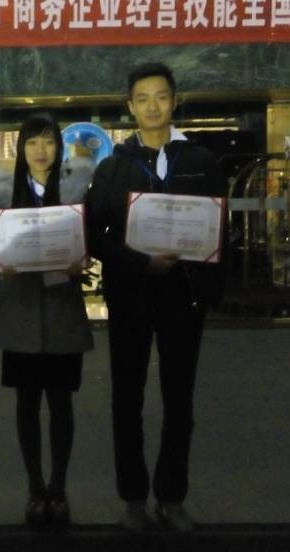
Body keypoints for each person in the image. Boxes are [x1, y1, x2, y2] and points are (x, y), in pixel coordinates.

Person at [85, 63, 227, 532]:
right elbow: (95, 235)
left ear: (174, 101)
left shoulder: (201, 162)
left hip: (183, 296)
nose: (152, 106)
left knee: (179, 400)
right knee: (126, 398)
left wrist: (209, 285)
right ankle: (132, 497)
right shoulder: (113, 166)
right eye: (143, 98)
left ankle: (171, 496)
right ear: (130, 106)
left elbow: (218, 227)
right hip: (130, 295)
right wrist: (139, 261)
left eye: (161, 97)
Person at [0, 114, 94, 526]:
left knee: (62, 404)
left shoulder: (74, 193)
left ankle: (58, 487)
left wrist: (82, 258)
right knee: (26, 405)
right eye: (32, 142)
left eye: (48, 142)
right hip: (21, 311)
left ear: (60, 148)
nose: (40, 150)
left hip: (63, 310)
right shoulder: (3, 196)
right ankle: (35, 487)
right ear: (20, 149)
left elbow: (90, 241)